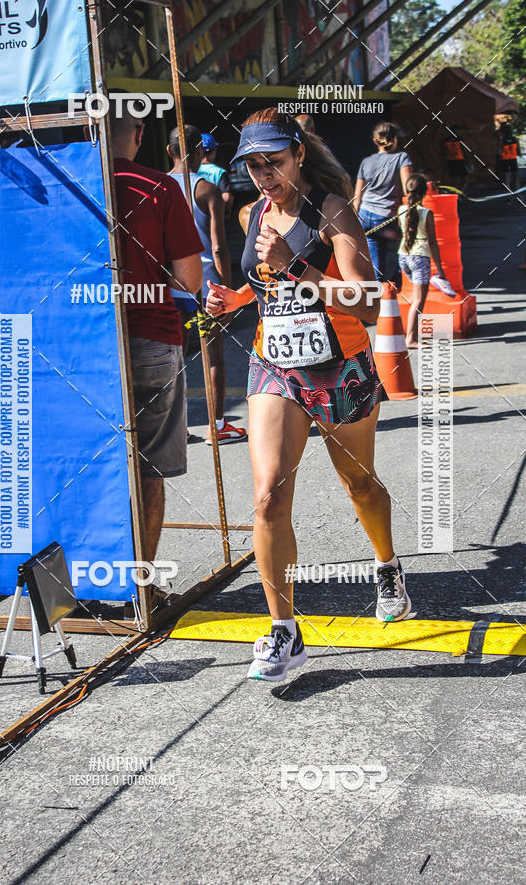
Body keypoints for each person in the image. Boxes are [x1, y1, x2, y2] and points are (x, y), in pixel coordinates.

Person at [206, 109, 411, 683]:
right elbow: (262, 282)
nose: (264, 174)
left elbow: (367, 302)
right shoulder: (252, 213)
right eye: (253, 165)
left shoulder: (332, 211)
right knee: (269, 495)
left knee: (360, 484)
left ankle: (387, 566)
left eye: (273, 161)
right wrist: (237, 299)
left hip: (338, 368)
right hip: (276, 366)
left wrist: (294, 264)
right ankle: (283, 631)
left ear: (298, 154)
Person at [112, 111, 204, 562]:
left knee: (94, 467)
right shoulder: (160, 187)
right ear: (141, 134)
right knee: (148, 469)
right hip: (152, 339)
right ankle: (141, 585)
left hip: (81, 347)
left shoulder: (65, 186)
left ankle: (89, 577)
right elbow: (189, 281)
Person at [167, 125, 247, 445]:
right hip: (207, 285)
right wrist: (227, 288)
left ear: (169, 151)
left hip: (172, 283)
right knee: (212, 352)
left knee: (175, 354)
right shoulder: (206, 190)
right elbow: (217, 246)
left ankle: (178, 427)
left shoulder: (158, 188)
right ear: (200, 151)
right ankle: (217, 425)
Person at [354, 121, 413, 285]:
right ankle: (396, 291)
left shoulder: (366, 162)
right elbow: (409, 190)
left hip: (365, 216)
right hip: (386, 218)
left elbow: (357, 197)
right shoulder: (402, 158)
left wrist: (355, 221)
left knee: (376, 262)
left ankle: (378, 301)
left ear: (375, 141)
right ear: (395, 139)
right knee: (402, 252)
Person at [397, 174, 451, 349]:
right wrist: (440, 270)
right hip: (419, 257)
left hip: (403, 256)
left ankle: (414, 335)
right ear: (425, 192)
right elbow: (433, 242)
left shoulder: (400, 210)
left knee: (415, 297)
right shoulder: (427, 213)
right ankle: (411, 338)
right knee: (419, 299)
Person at [198, 133, 234, 219]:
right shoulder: (219, 172)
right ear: (214, 151)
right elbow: (227, 198)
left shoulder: (191, 171)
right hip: (215, 219)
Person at [499, 122, 521, 192]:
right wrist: (518, 154)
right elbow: (519, 150)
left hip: (505, 159)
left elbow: (499, 150)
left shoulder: (502, 140)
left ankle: (508, 194)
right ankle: (518, 192)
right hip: (513, 159)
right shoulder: (515, 139)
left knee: (506, 177)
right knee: (515, 176)